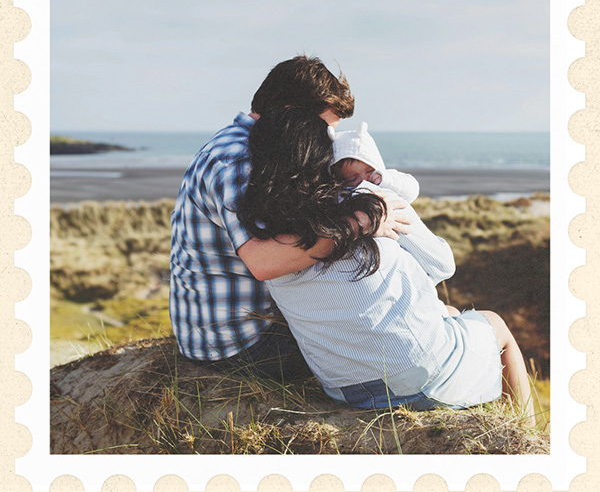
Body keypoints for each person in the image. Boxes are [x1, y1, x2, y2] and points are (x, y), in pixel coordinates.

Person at [237, 106, 534, 421]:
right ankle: (529, 436)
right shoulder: (371, 203)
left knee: (449, 315)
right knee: (495, 324)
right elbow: (443, 266)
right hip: (419, 377)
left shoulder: (261, 232)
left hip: (343, 388)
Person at [169, 56, 411, 380]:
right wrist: (358, 224)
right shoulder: (239, 159)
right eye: (323, 128)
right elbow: (264, 261)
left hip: (220, 333)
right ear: (289, 113)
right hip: (243, 343)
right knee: (394, 347)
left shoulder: (246, 145)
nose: (327, 141)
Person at [329, 121, 419, 203]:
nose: (364, 180)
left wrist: (386, 180)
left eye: (369, 171)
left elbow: (412, 190)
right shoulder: (341, 195)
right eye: (353, 178)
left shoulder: (386, 179)